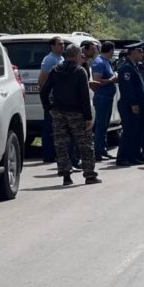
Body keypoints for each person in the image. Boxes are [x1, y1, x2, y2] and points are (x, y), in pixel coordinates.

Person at [39, 45, 99, 185]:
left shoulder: (55, 70)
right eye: (80, 55)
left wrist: (49, 108)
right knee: (85, 145)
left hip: (59, 113)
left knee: (61, 145)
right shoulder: (80, 72)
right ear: (77, 55)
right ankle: (89, 175)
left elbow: (44, 91)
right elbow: (84, 96)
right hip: (76, 113)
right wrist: (88, 117)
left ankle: (66, 176)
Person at [115, 44, 144, 166]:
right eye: (139, 51)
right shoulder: (126, 68)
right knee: (128, 131)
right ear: (132, 52)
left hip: (138, 103)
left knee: (136, 132)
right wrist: (133, 103)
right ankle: (122, 157)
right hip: (129, 105)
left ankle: (133, 156)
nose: (141, 53)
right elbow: (127, 89)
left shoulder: (135, 66)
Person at [38, 36, 66, 163]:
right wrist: (47, 98)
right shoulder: (49, 59)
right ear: (52, 46)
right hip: (51, 99)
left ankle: (57, 153)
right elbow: (42, 80)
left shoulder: (61, 58)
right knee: (49, 127)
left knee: (58, 128)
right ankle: (48, 155)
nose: (62, 46)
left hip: (60, 98)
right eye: (60, 44)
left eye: (63, 44)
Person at [89, 41, 118, 161]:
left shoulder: (107, 62)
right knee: (101, 125)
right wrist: (112, 80)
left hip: (108, 97)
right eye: (112, 50)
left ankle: (103, 149)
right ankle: (98, 152)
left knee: (105, 125)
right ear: (110, 50)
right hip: (102, 97)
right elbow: (97, 81)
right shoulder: (99, 62)